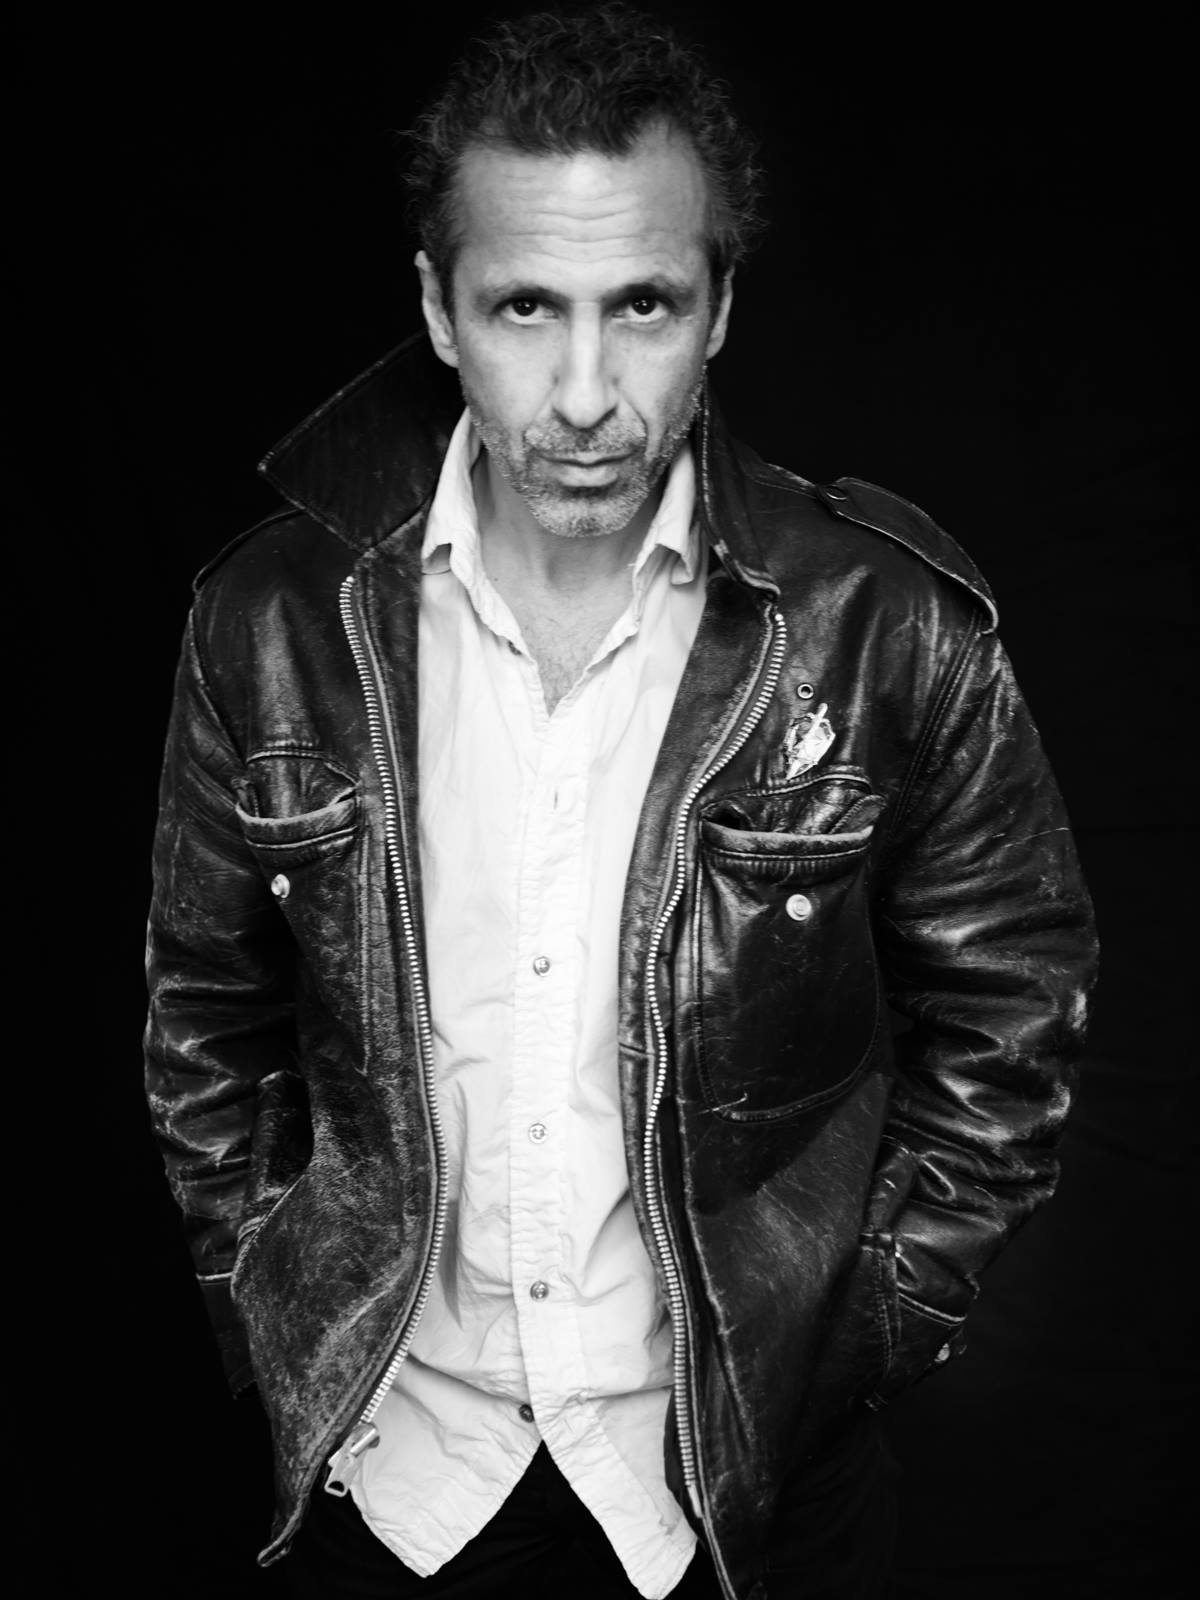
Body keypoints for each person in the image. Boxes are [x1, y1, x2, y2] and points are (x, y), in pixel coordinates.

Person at [143, 7, 1098, 1598]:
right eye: (526, 306)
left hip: (742, 1486)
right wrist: (273, 1305)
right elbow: (202, 1016)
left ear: (717, 311)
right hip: (399, 1475)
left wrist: (862, 1331)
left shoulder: (882, 624)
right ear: (439, 311)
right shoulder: (272, 621)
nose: (584, 393)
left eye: (641, 305)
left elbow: (1015, 1010)